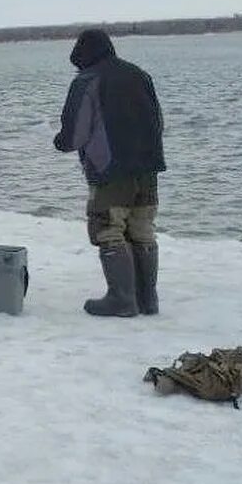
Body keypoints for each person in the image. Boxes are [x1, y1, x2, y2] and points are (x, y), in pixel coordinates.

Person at [54, 29, 165, 317]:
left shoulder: (88, 80)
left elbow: (74, 136)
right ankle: (147, 299)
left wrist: (59, 141)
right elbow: (159, 120)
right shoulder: (140, 75)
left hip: (110, 170)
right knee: (142, 232)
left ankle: (122, 298)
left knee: (108, 229)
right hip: (148, 167)